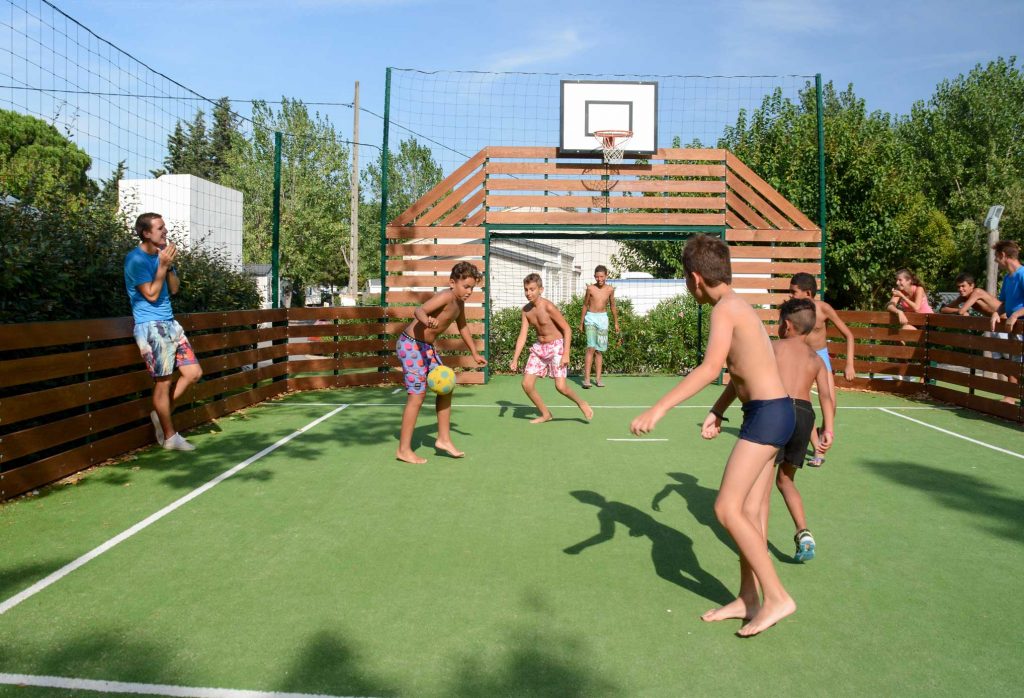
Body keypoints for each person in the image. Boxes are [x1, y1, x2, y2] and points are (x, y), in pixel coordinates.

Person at [630, 235, 796, 637]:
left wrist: (659, 408)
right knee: (751, 514)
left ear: (696, 278)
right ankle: (748, 597)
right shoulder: (741, 306)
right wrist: (718, 410)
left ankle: (776, 597)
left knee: (726, 509)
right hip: (771, 412)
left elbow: (710, 369)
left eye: (686, 281)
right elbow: (741, 370)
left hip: (768, 417)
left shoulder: (725, 310)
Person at [702, 298, 835, 562]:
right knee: (786, 481)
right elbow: (826, 397)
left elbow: (740, 379)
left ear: (786, 325)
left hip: (776, 414)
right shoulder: (815, 360)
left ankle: (758, 547)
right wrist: (827, 429)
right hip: (805, 416)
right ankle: (803, 531)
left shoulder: (771, 349)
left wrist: (718, 410)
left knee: (761, 489)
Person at [124, 212, 203, 451]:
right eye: (160, 228)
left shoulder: (162, 257)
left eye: (164, 227)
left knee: (193, 373)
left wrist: (167, 267)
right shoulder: (135, 260)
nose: (165, 231)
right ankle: (170, 437)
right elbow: (150, 294)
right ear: (146, 233)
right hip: (151, 327)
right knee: (163, 382)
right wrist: (161, 267)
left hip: (170, 323)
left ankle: (160, 413)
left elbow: (174, 289)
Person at [395, 261, 487, 464]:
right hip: (410, 345)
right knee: (417, 397)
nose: (470, 291)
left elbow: (463, 327)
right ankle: (403, 449)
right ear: (452, 283)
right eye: (466, 286)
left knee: (446, 386)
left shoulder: (459, 303)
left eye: (472, 287)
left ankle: (444, 439)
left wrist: (474, 353)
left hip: (426, 348)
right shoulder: (446, 296)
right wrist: (426, 320)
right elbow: (419, 310)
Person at [788, 272, 854, 466]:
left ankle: (824, 433)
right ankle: (818, 449)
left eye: (793, 292)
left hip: (822, 358)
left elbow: (848, 335)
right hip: (802, 359)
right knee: (804, 405)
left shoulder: (823, 309)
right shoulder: (793, 312)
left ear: (807, 293)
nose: (790, 295)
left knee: (831, 405)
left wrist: (849, 364)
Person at [510, 274, 593, 423]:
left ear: (541, 289)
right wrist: (515, 359)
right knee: (526, 384)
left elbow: (567, 329)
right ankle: (546, 414)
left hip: (556, 347)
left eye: (532, 289)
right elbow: (522, 336)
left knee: (560, 387)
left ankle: (581, 403)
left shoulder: (548, 306)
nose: (528, 293)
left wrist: (566, 353)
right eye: (526, 289)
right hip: (539, 349)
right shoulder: (526, 311)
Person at [990, 241, 1024, 404]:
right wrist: (997, 313)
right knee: (1013, 361)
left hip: (1020, 325)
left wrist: (1015, 315)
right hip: (1015, 329)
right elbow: (1004, 303)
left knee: (1017, 362)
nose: (996, 261)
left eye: (996, 257)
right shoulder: (1008, 279)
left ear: (1003, 255)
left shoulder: (1023, 274)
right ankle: (1011, 396)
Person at [579, 265, 619, 389]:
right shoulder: (590, 289)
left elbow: (612, 306)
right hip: (590, 318)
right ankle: (586, 379)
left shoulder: (610, 290)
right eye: (597, 276)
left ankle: (598, 379)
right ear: (594, 277)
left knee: (599, 350)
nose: (599, 279)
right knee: (590, 347)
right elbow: (585, 305)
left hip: (603, 319)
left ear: (606, 276)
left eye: (602, 276)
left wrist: (616, 322)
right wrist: (581, 322)